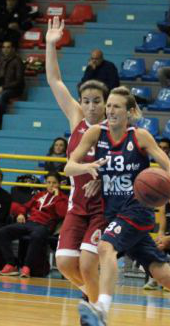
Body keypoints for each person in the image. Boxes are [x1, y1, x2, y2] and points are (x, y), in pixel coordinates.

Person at [65, 86, 170, 326]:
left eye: (117, 106)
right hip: (111, 212)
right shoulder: (94, 133)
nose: (110, 110)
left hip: (136, 209)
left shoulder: (139, 136)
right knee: (162, 273)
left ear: (129, 111)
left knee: (104, 247)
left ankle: (101, 307)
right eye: (109, 105)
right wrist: (87, 168)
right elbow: (69, 166)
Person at [45, 17, 108, 305]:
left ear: (107, 103)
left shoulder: (115, 129)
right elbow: (54, 80)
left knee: (85, 264)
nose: (91, 106)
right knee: (64, 263)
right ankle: (95, 292)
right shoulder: (76, 119)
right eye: (86, 100)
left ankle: (96, 311)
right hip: (77, 204)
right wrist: (50, 45)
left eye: (97, 101)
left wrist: (103, 180)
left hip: (104, 207)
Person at [0, 172, 68, 278]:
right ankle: (11, 264)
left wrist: (57, 197)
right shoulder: (40, 195)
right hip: (29, 223)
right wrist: (21, 213)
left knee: (36, 236)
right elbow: (25, 206)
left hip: (44, 226)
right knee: (2, 232)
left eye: (54, 183)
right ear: (45, 183)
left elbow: (62, 213)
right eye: (48, 182)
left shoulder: (63, 198)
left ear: (59, 184)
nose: (51, 185)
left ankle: (27, 267)